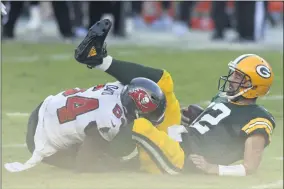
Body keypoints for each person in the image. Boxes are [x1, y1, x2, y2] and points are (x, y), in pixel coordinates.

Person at [4, 19, 181, 173]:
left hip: (48, 107)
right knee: (118, 151)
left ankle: (99, 60)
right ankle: (98, 60)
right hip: (40, 139)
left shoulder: (121, 88)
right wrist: (118, 166)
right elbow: (83, 164)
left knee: (161, 86)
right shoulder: (111, 120)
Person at [127, 53, 275, 176]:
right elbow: (217, 126)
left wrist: (214, 168)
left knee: (140, 124)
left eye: (238, 77)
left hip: (183, 156)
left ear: (253, 86)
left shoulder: (257, 118)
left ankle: (114, 157)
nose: (230, 79)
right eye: (233, 74)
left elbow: (249, 167)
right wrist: (198, 117)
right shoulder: (223, 98)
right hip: (179, 137)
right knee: (161, 94)